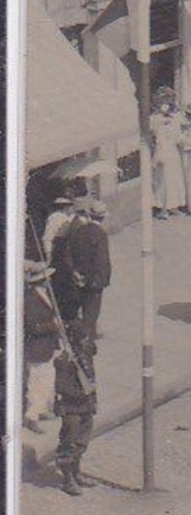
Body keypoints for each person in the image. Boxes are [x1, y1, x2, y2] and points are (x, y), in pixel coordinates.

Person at [53, 313, 97, 497]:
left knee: (82, 441)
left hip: (86, 404)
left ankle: (76, 471)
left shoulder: (84, 353)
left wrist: (93, 399)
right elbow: (62, 387)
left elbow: (90, 374)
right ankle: (67, 478)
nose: (86, 338)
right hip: (72, 407)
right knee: (68, 442)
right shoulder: (64, 360)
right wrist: (83, 394)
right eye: (83, 336)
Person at [57, 198, 110, 341]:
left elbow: (67, 252)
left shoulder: (79, 230)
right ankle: (85, 339)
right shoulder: (100, 234)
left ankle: (82, 334)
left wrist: (74, 271)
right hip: (93, 280)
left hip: (78, 276)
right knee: (91, 312)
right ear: (103, 217)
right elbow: (101, 260)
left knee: (78, 307)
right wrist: (102, 280)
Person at [23, 260, 61, 433]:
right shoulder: (30, 299)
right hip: (37, 347)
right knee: (36, 381)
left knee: (47, 378)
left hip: (47, 346)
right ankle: (31, 415)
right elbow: (33, 326)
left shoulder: (44, 294)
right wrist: (53, 326)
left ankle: (42, 408)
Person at [149, 89, 188, 217]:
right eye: (164, 99)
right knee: (163, 179)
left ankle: (173, 206)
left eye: (169, 99)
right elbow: (154, 133)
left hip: (172, 152)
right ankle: (163, 208)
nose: (167, 102)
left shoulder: (176, 116)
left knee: (174, 178)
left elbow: (178, 135)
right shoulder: (155, 118)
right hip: (162, 150)